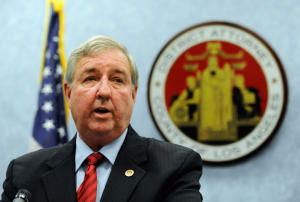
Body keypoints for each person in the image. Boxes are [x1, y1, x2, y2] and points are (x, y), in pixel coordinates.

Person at [1, 36, 203, 202]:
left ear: (133, 95)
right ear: (68, 94)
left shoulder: (174, 168)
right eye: (91, 78)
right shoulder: (24, 175)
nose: (104, 91)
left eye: (117, 80)